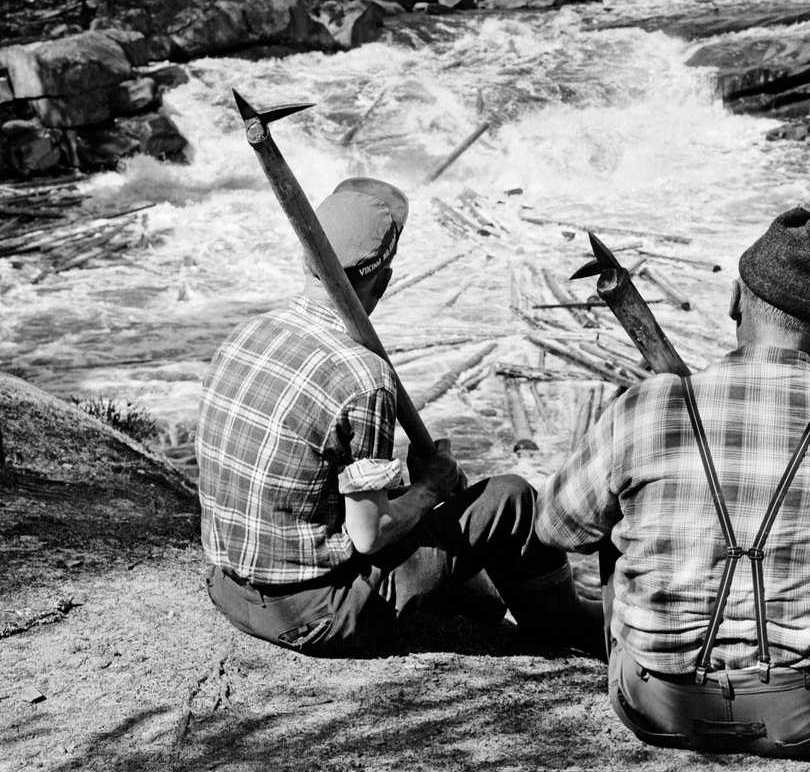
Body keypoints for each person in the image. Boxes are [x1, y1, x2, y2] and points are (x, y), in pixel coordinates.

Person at [537, 207, 810, 756]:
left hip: (649, 703)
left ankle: (639, 643)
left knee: (614, 492)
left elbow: (556, 527)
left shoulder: (648, 406)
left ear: (733, 300)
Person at [197, 176, 601, 658]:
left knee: (450, 548)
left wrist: (412, 495)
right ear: (384, 282)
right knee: (509, 498)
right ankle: (567, 626)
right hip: (317, 616)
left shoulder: (245, 335)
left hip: (230, 590)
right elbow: (368, 537)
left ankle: (484, 602)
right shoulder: (363, 375)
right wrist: (429, 488)